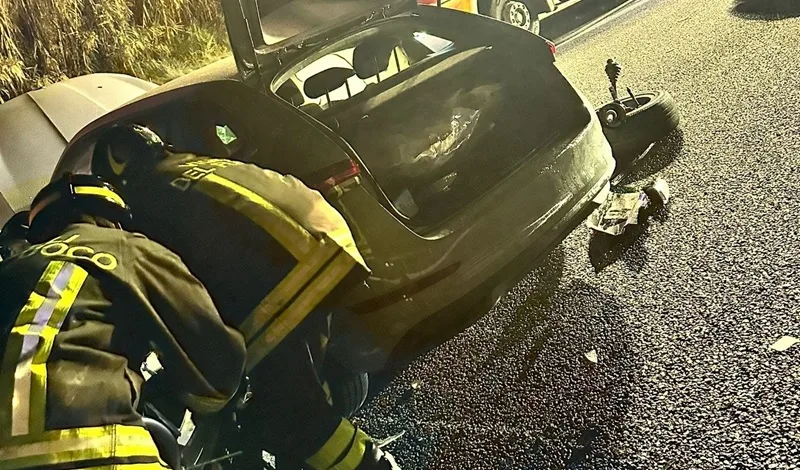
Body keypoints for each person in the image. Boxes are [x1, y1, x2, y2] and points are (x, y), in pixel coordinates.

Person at [92, 124, 400, 470]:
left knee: (297, 417)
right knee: (297, 384)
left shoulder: (143, 198)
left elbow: (173, 293)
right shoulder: (188, 165)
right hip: (327, 245)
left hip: (286, 280)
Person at [0, 174, 247, 469]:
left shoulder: (13, 269)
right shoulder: (126, 247)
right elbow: (215, 362)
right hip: (98, 450)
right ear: (110, 215)